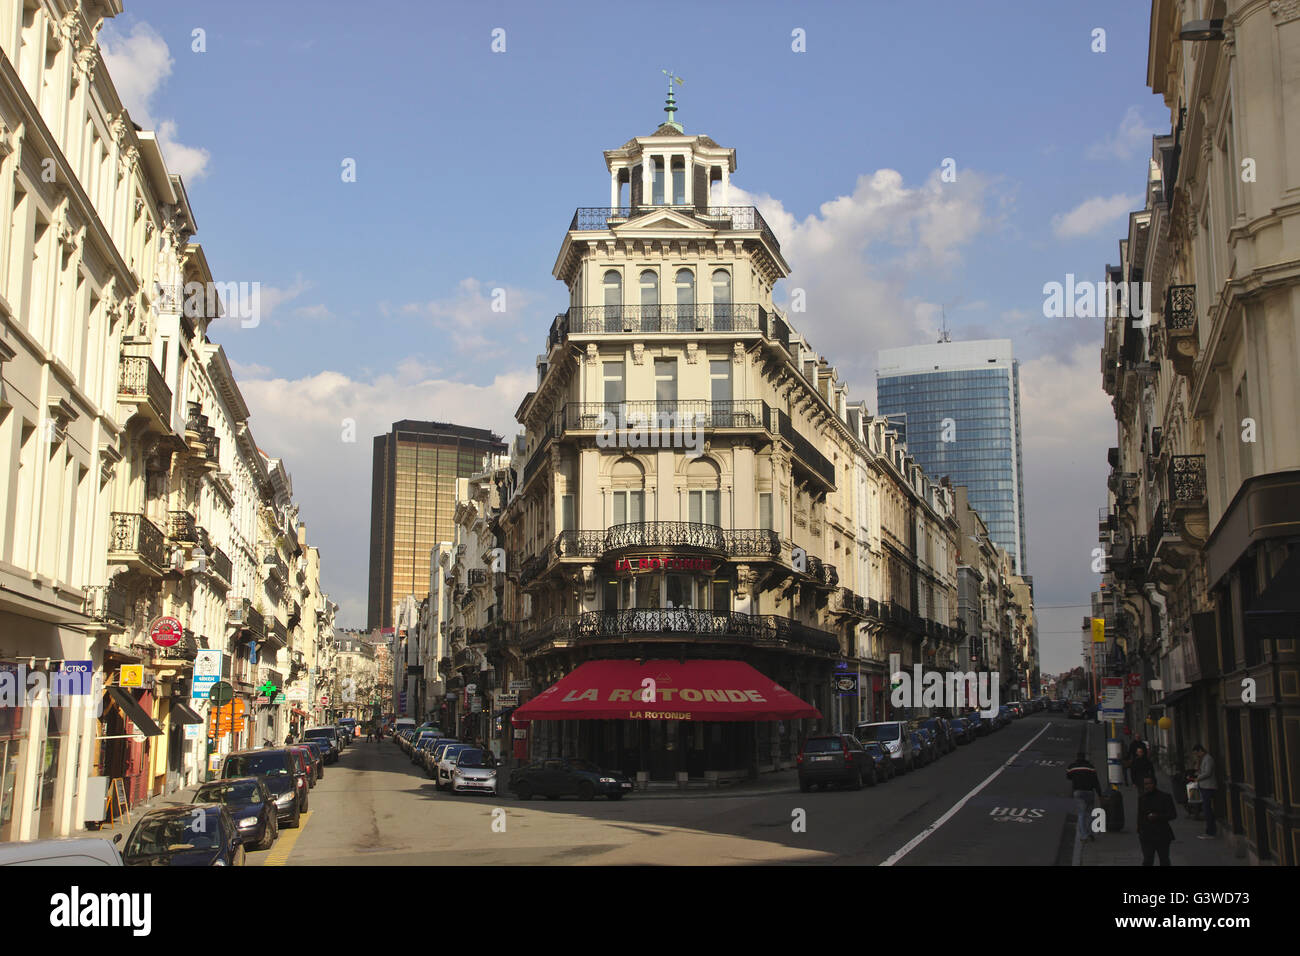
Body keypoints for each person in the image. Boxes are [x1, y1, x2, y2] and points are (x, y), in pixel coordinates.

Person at [1136, 774, 1176, 865]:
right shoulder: (1142, 798)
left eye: (1149, 783)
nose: (1147, 786)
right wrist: (1139, 829)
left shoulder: (1165, 797)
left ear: (1154, 784)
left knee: (1164, 859)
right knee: (1147, 860)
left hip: (1162, 834)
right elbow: (1140, 815)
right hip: (1146, 834)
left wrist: (1157, 816)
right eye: (1145, 784)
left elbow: (1173, 815)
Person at [1066, 752, 1104, 842]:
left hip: (1078, 792)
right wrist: (1100, 794)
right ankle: (1089, 832)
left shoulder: (1072, 766)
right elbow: (1096, 782)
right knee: (1090, 813)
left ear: (1077, 757)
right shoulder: (1091, 767)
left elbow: (1068, 776)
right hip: (1089, 792)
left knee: (1081, 814)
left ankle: (1084, 835)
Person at [1192, 744, 1217, 838]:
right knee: (1206, 808)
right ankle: (1209, 830)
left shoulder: (1208, 759)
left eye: (1196, 753)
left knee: (1207, 809)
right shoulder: (1202, 759)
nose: (1196, 756)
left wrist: (1197, 778)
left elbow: (1208, 772)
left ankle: (1211, 831)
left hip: (1208, 787)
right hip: (1203, 786)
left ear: (1200, 751)